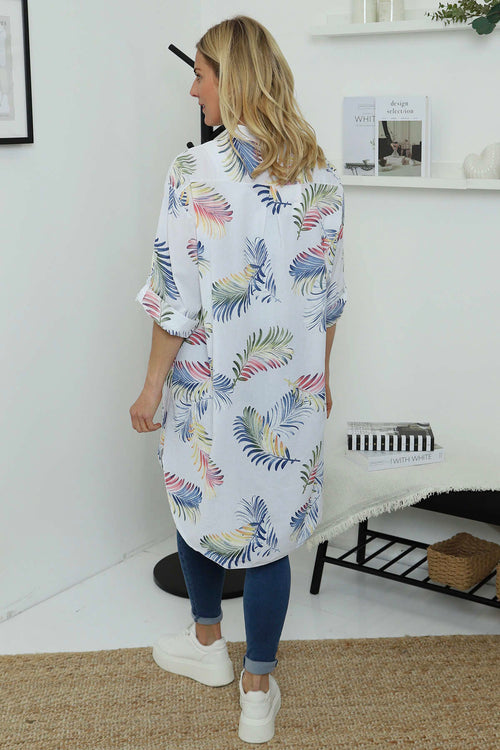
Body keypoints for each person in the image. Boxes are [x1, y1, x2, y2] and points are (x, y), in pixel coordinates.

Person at [129, 15, 346, 744]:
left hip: (210, 388)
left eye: (200, 73)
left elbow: (174, 301)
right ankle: (257, 689)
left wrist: (151, 387)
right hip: (291, 393)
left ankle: (206, 643)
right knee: (272, 529)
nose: (193, 89)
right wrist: (322, 382)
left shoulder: (193, 172)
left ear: (233, 78)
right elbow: (327, 301)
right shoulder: (322, 175)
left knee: (198, 499)